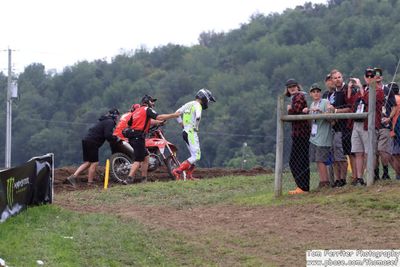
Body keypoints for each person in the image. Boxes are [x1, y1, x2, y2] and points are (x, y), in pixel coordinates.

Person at [125, 95, 181, 184]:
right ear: (147, 101)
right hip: (138, 136)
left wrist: (159, 123)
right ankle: (129, 179)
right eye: (152, 101)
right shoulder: (147, 109)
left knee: (146, 157)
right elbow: (159, 117)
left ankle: (144, 179)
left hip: (132, 135)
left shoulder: (136, 111)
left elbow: (130, 124)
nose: (153, 103)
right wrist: (174, 115)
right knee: (138, 160)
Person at [348, 67, 385, 186]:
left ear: (375, 78)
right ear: (365, 77)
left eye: (371, 76)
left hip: (368, 125)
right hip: (358, 123)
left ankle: (371, 176)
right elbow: (352, 101)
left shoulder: (378, 90)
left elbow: (368, 101)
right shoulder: (362, 89)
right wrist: (351, 88)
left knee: (369, 152)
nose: (369, 78)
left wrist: (360, 88)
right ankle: (359, 178)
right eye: (367, 76)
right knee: (358, 152)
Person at [65, 108, 120, 187]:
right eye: (117, 116)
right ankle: (90, 183)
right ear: (115, 116)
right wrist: (116, 138)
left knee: (87, 162)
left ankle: (73, 177)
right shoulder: (110, 122)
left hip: (86, 140)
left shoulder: (104, 121)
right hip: (93, 142)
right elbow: (108, 135)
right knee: (94, 162)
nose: (118, 118)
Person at [172, 88, 216, 180]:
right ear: (204, 98)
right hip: (191, 132)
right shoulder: (198, 105)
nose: (207, 102)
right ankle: (178, 171)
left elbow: (176, 114)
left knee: (194, 155)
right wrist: (196, 126)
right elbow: (198, 117)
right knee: (196, 156)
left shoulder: (189, 104)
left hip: (185, 132)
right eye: (208, 100)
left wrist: (181, 124)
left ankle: (189, 176)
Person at [326, 69, 354, 187]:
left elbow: (350, 107)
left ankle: (344, 178)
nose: (337, 79)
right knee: (336, 157)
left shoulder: (347, 89)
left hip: (346, 128)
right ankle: (338, 179)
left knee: (344, 156)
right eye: (335, 78)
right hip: (334, 127)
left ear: (342, 77)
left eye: (339, 77)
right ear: (331, 80)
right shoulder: (333, 93)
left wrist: (336, 111)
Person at [303, 83, 333, 188]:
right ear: (311, 94)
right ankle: (322, 181)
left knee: (321, 160)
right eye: (314, 92)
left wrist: (321, 112)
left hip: (323, 137)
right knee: (317, 160)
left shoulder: (325, 102)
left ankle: (325, 182)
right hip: (314, 136)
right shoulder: (312, 105)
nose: (316, 93)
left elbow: (331, 119)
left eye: (318, 91)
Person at [285, 79, 311, 194]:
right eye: (290, 87)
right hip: (298, 133)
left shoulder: (299, 96)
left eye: (294, 86)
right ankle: (302, 186)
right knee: (300, 160)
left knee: (296, 161)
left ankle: (302, 186)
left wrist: (290, 109)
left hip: (301, 133)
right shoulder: (294, 97)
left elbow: (296, 110)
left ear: (298, 86)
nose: (292, 88)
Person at [373, 67, 396, 180]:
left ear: (381, 77)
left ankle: (385, 172)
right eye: (374, 74)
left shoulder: (388, 89)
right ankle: (376, 174)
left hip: (385, 125)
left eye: (379, 74)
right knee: (374, 151)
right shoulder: (370, 90)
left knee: (382, 149)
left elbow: (394, 107)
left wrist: (389, 118)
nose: (377, 76)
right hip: (373, 125)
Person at [389, 82, 400, 180]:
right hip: (397, 129)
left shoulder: (393, 100)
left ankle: (398, 174)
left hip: (394, 129)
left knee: (394, 154)